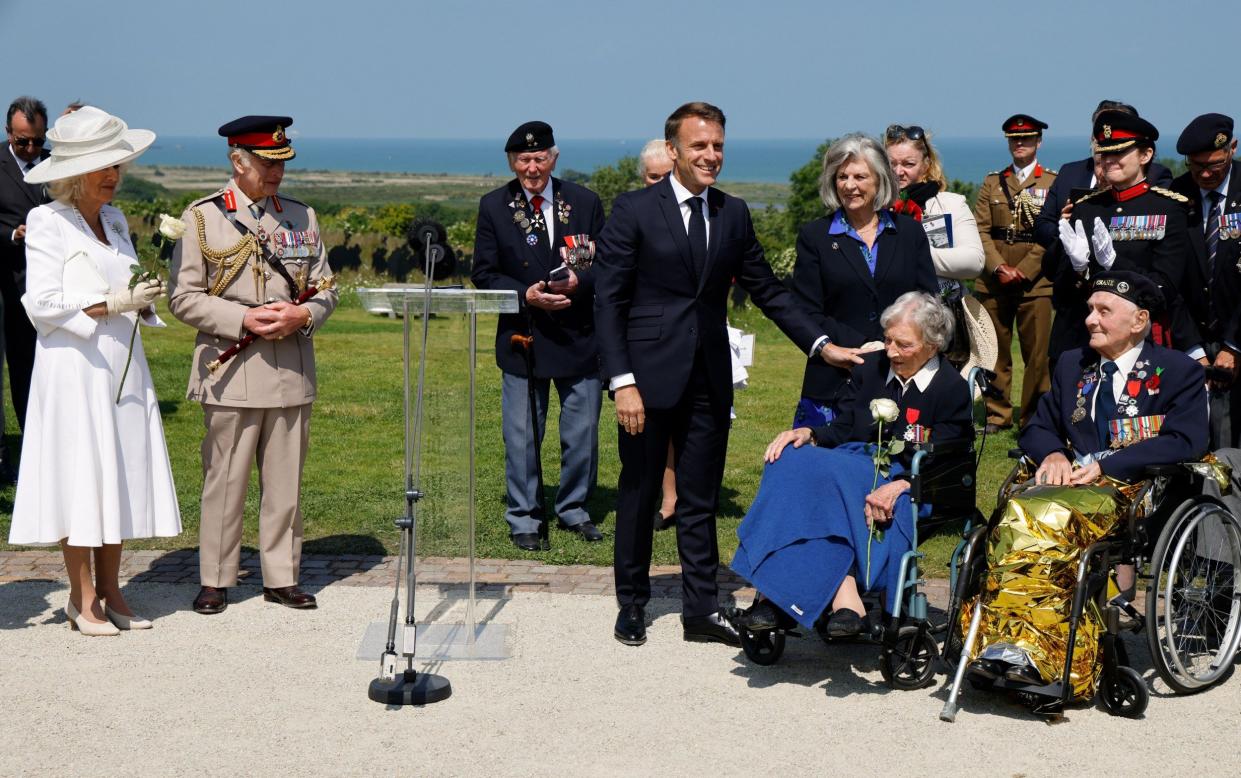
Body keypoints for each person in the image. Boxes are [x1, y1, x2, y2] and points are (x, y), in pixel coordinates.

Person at [595, 101, 830, 647]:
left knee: (699, 496)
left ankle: (700, 610)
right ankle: (631, 603)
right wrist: (621, 380)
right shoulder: (633, 210)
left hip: (709, 378)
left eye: (718, 145)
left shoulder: (733, 213)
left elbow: (768, 290)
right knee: (639, 491)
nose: (711, 155)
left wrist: (821, 344)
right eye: (699, 146)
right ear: (673, 150)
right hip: (645, 381)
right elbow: (608, 303)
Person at [967, 271, 1206, 696]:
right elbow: (1038, 426)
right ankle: (1009, 645)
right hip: (1069, 486)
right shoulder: (1072, 364)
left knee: (1038, 516)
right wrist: (1054, 453)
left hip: (1134, 491)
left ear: (1138, 321)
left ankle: (1042, 654)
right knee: (1017, 517)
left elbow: (1187, 440)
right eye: (1089, 311)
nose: (1090, 320)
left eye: (1103, 311)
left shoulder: (1177, 370)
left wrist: (1111, 463)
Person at [7, 106, 180, 635]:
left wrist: (144, 298)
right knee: (80, 473)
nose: (114, 176)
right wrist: (111, 302)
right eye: (104, 167)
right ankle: (81, 598)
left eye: (117, 166)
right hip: (74, 367)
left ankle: (113, 588)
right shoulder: (46, 221)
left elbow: (126, 286)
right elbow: (41, 304)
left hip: (122, 365)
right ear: (73, 174)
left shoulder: (114, 220)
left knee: (120, 470)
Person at [168, 115, 338, 614]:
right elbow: (183, 298)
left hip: (291, 370)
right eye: (266, 164)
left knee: (285, 484)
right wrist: (244, 318)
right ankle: (216, 578)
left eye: (281, 164)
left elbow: (326, 287)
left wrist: (303, 312)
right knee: (225, 480)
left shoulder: (302, 217)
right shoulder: (202, 218)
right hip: (231, 372)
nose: (276, 174)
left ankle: (281, 577)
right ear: (237, 161)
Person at [732, 292, 972, 637]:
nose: (890, 351)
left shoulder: (950, 388)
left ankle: (783, 596)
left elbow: (950, 457)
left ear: (932, 346)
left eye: (902, 345)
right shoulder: (872, 368)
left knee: (831, 480)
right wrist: (808, 433)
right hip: (851, 467)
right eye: (887, 339)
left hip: (910, 481)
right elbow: (843, 427)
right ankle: (843, 600)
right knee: (788, 457)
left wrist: (901, 484)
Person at [471, 121, 606, 551]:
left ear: (555, 156)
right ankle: (524, 516)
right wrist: (524, 294)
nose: (532, 168)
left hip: (578, 335)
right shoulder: (494, 206)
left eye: (539, 158)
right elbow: (483, 273)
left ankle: (573, 510)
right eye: (523, 160)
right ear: (511, 162)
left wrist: (579, 284)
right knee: (523, 435)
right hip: (522, 337)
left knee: (582, 433)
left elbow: (606, 266)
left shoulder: (584, 202)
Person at [790, 133, 938, 428]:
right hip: (833, 377)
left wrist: (893, 344)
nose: (850, 185)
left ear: (880, 180)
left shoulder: (909, 233)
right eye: (842, 176)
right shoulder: (815, 237)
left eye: (860, 176)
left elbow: (928, 301)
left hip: (901, 372)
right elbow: (806, 310)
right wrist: (863, 345)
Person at [1034, 100, 1173, 374]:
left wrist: (1113, 262)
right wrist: (1076, 264)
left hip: (1131, 335)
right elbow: (1054, 273)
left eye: (1116, 153)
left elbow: (1165, 285)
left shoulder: (1163, 200)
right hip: (1076, 330)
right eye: (1102, 156)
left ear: (1143, 155)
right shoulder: (1084, 202)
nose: (1106, 164)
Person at [885, 125, 993, 378]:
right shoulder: (877, 209)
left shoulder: (950, 204)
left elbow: (974, 262)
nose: (899, 172)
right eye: (892, 164)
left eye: (908, 164)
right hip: (891, 318)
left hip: (941, 321)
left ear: (925, 164)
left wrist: (916, 256)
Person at [973, 115, 1057, 433]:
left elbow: (1053, 234)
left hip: (1036, 281)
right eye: (1014, 139)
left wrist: (1022, 271)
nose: (1020, 143)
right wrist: (998, 267)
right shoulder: (992, 182)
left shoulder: (1052, 182)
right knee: (993, 349)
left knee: (1037, 355)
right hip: (994, 279)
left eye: (1026, 138)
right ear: (1008, 142)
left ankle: (1033, 417)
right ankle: (997, 414)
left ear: (1038, 142)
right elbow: (979, 230)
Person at [1170, 113, 1241, 448]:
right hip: (1194, 338)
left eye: (1216, 164)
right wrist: (1194, 348)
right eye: (1197, 166)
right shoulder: (1176, 195)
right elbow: (1171, 279)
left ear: (1232, 149)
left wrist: (1233, 345)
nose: (1207, 174)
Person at [0, 96, 50, 455]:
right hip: (10, 279)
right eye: (23, 142)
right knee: (21, 363)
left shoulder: (54, 165)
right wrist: (12, 234)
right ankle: (29, 442)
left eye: (38, 141)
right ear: (8, 133)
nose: (31, 149)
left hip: (52, 281)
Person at [637, 138, 681, 530]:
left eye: (667, 176)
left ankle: (674, 496)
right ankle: (647, 493)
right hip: (644, 341)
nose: (662, 183)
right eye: (654, 177)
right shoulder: (632, 213)